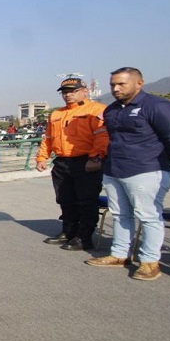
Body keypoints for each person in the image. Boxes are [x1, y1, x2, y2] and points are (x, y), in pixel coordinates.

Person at [87, 67, 170, 280]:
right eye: (113, 84)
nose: (116, 88)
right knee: (121, 214)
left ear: (139, 83)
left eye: (121, 84)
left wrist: (153, 161)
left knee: (148, 216)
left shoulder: (157, 106)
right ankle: (119, 255)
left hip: (146, 170)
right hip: (114, 170)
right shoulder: (112, 110)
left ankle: (150, 262)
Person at [35, 78, 108, 251]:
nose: (68, 95)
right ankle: (68, 231)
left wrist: (96, 158)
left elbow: (102, 136)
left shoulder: (96, 110)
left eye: (72, 91)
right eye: (65, 92)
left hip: (86, 161)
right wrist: (41, 157)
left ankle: (84, 236)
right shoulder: (56, 114)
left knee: (86, 200)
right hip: (62, 162)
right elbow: (48, 138)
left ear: (85, 91)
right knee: (65, 199)